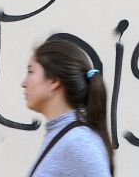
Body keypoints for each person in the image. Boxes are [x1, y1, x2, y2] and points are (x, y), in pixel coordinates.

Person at [21, 39, 114, 177]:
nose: (24, 83)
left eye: (31, 71)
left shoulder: (79, 142)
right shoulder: (63, 134)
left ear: (53, 81)